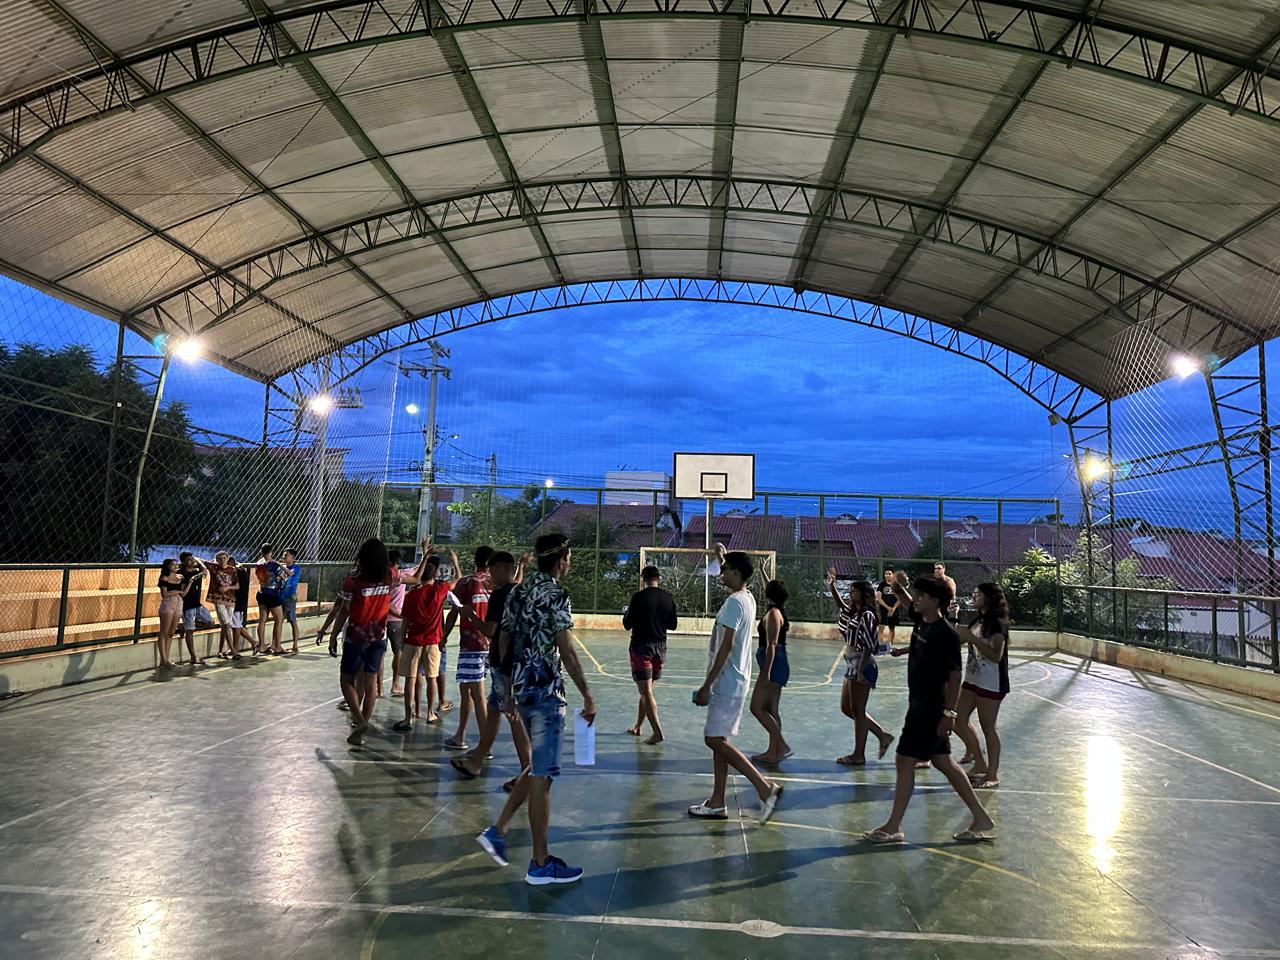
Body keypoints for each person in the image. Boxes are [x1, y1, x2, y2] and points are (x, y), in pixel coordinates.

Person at [475, 534, 596, 885]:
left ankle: (499, 830)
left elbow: (503, 638)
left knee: (535, 766)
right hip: (545, 692)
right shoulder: (556, 594)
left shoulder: (518, 591)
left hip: (521, 689)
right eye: (568, 556)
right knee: (543, 775)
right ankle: (540, 863)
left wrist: (507, 689)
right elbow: (567, 650)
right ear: (561, 560)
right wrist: (588, 695)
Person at [863, 572, 995, 844]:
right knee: (943, 761)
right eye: (917, 595)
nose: (916, 599)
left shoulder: (945, 634)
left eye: (921, 596)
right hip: (919, 703)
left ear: (935, 601)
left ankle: (894, 826)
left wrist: (949, 714)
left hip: (930, 708)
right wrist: (896, 585)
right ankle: (980, 817)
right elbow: (905, 599)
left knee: (904, 760)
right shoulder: (922, 620)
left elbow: (955, 676)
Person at [689, 543, 783, 823]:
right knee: (721, 741)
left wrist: (707, 686)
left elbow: (726, 646)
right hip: (736, 680)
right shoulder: (747, 598)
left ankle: (764, 788)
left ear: (737, 573)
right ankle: (718, 802)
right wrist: (723, 555)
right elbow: (733, 571)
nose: (721, 572)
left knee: (714, 740)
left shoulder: (733, 603)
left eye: (726, 569)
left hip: (726, 683)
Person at [450, 551, 531, 785]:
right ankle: (477, 758)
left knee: (512, 714)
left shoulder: (499, 594)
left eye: (493, 571)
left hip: (503, 663)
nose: (490, 576)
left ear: (502, 568)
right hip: (520, 659)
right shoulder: (522, 592)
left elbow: (490, 631)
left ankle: (527, 770)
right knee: (494, 709)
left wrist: (470, 615)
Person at [327, 537, 397, 746]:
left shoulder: (353, 580)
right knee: (370, 682)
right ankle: (362, 726)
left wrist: (333, 634)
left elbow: (344, 610)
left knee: (346, 680)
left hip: (357, 637)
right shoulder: (389, 576)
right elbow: (414, 578)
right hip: (379, 636)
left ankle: (359, 720)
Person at [827, 569, 894, 765]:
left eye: (854, 591)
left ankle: (858, 755)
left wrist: (860, 669)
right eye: (851, 590)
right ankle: (882, 735)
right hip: (852, 663)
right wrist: (831, 585)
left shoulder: (867, 615)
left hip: (862, 664)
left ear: (864, 594)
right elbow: (840, 604)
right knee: (847, 708)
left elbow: (868, 646)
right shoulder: (853, 612)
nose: (851, 593)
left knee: (858, 710)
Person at [394, 543, 461, 733]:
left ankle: (408, 717)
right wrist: (455, 562)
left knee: (410, 679)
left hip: (413, 641)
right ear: (435, 574)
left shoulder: (412, 595)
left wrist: (402, 641)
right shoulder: (439, 590)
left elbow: (405, 622)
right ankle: (431, 713)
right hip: (433, 642)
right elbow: (458, 579)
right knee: (432, 678)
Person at [954, 582, 1011, 789]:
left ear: (988, 598)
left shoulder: (997, 624)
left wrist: (972, 639)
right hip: (972, 679)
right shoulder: (978, 620)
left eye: (977, 594)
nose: (973, 596)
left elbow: (996, 656)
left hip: (991, 682)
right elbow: (959, 639)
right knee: (957, 719)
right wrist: (952, 618)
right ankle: (979, 761)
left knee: (989, 728)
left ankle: (992, 774)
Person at [443, 546, 495, 751]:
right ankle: (460, 735)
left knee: (477, 694)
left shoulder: (466, 583)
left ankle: (485, 745)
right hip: (492, 644)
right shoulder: (497, 584)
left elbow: (453, 612)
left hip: (472, 645)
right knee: (466, 690)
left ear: (476, 560)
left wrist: (443, 637)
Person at [623, 565, 677, 745]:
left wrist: (627, 612)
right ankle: (638, 726)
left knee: (646, 692)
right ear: (658, 578)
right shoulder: (668, 597)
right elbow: (673, 625)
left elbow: (627, 624)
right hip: (660, 648)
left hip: (641, 648)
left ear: (643, 578)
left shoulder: (638, 597)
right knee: (647, 690)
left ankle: (657, 733)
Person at [749, 579, 792, 764]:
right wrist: (762, 571)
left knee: (756, 707)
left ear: (769, 594)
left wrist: (766, 672)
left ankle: (781, 745)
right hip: (776, 664)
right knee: (771, 709)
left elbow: (771, 645)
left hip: (774, 665)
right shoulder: (776, 609)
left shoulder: (774, 613)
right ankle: (773, 752)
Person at [200, 551, 241, 660]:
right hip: (218, 599)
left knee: (225, 625)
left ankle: (220, 650)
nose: (222, 560)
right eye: (219, 558)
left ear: (227, 558)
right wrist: (203, 568)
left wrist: (227, 588)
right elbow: (198, 559)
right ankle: (233, 650)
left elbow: (237, 585)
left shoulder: (232, 570)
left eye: (224, 558)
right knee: (226, 625)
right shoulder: (214, 567)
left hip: (230, 599)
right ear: (217, 560)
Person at [177, 552, 212, 666]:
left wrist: (198, 560)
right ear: (183, 562)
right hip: (187, 606)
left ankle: (184, 626)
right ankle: (193, 656)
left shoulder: (196, 572)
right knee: (190, 632)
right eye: (189, 559)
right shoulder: (181, 574)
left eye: (192, 559)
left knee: (210, 622)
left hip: (197, 604)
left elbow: (205, 571)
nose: (192, 561)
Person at [255, 543, 287, 656]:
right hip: (272, 593)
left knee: (262, 619)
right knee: (279, 619)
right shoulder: (273, 564)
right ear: (271, 552)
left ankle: (262, 646)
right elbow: (283, 576)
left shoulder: (259, 563)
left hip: (261, 592)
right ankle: (277, 646)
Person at [386, 549, 407, 696]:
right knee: (398, 652)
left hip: (381, 618)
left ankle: (377, 688)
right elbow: (419, 573)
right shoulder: (400, 575)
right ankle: (395, 684)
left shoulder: (380, 576)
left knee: (380, 653)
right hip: (395, 619)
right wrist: (426, 553)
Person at [156, 559, 183, 669]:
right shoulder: (164, 578)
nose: (175, 566)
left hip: (178, 603)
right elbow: (165, 594)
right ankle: (164, 659)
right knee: (164, 631)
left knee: (171, 632)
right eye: (172, 564)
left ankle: (167, 657)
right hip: (168, 603)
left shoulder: (179, 577)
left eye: (176, 564)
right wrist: (177, 592)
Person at [279, 549, 302, 655]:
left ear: (292, 557)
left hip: (290, 597)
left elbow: (290, 574)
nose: (284, 557)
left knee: (292, 620)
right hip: (280, 596)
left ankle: (295, 645)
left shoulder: (296, 568)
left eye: (286, 555)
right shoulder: (281, 568)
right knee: (279, 620)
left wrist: (279, 565)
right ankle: (276, 644)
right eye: (283, 555)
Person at [877, 569, 900, 653]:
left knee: (891, 628)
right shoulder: (882, 585)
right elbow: (879, 598)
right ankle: (880, 646)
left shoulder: (896, 586)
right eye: (886, 574)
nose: (887, 575)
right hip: (883, 610)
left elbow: (900, 599)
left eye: (889, 574)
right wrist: (887, 608)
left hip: (894, 611)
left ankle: (889, 647)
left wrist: (893, 609)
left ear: (893, 575)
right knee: (881, 628)